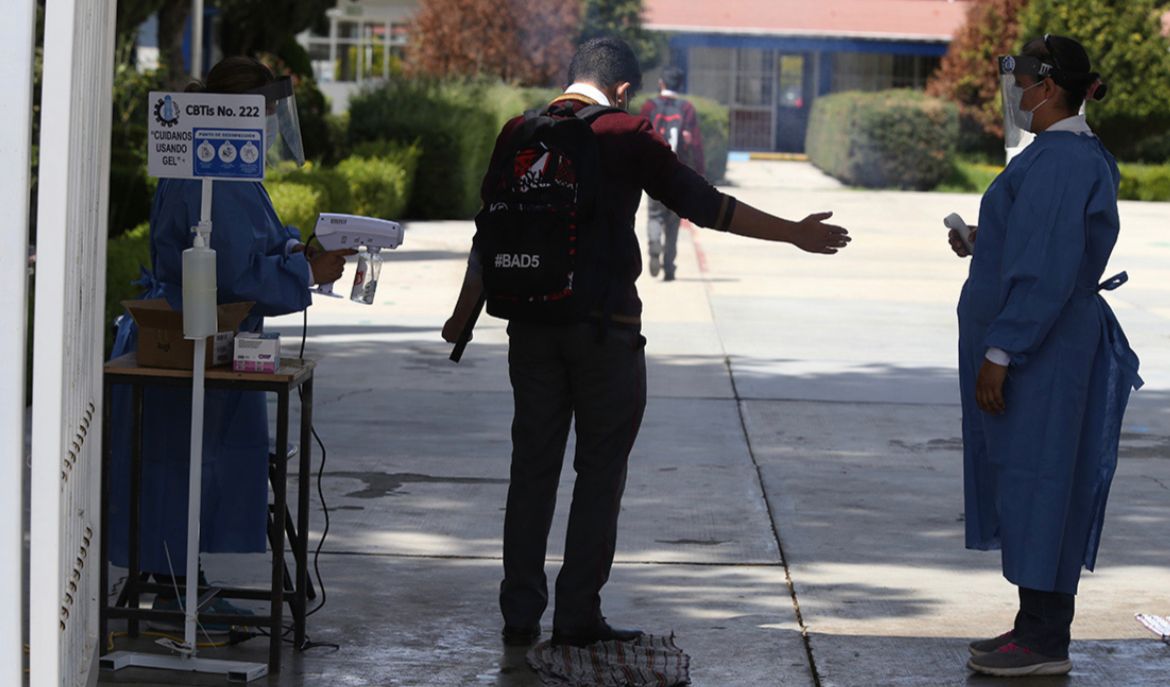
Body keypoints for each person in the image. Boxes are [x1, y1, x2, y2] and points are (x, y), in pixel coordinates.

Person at [443, 36, 850, 648]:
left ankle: (519, 614)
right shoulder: (626, 133)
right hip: (604, 334)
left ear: (572, 77)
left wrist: (462, 316)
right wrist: (792, 232)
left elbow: (490, 229)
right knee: (599, 473)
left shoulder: (517, 133)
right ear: (624, 89)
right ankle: (576, 616)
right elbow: (706, 205)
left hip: (528, 329)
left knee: (531, 470)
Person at [108, 56, 352, 622]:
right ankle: (177, 591)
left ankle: (180, 584)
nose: (267, 127)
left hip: (207, 337)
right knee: (180, 469)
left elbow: (253, 244)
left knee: (194, 466)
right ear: (242, 112)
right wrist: (306, 272)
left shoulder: (220, 166)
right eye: (264, 114)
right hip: (187, 335)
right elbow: (234, 274)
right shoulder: (212, 174)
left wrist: (296, 252)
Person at [949, 35, 1142, 677]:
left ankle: (1044, 640)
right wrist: (987, 239)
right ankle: (1034, 622)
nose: (1016, 96)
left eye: (1023, 83)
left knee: (1045, 483)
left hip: (1044, 352)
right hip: (1047, 345)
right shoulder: (1061, 155)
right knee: (1033, 481)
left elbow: (1048, 271)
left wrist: (1001, 350)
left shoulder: (1062, 160)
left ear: (1049, 87)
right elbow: (1040, 240)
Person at [638, 66, 705, 281]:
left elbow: (639, 137)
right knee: (674, 221)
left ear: (661, 83)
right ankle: (669, 266)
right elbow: (696, 145)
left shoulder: (649, 106)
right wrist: (700, 172)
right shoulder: (687, 108)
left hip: (654, 171)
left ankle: (654, 242)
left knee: (655, 215)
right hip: (678, 173)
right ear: (681, 85)